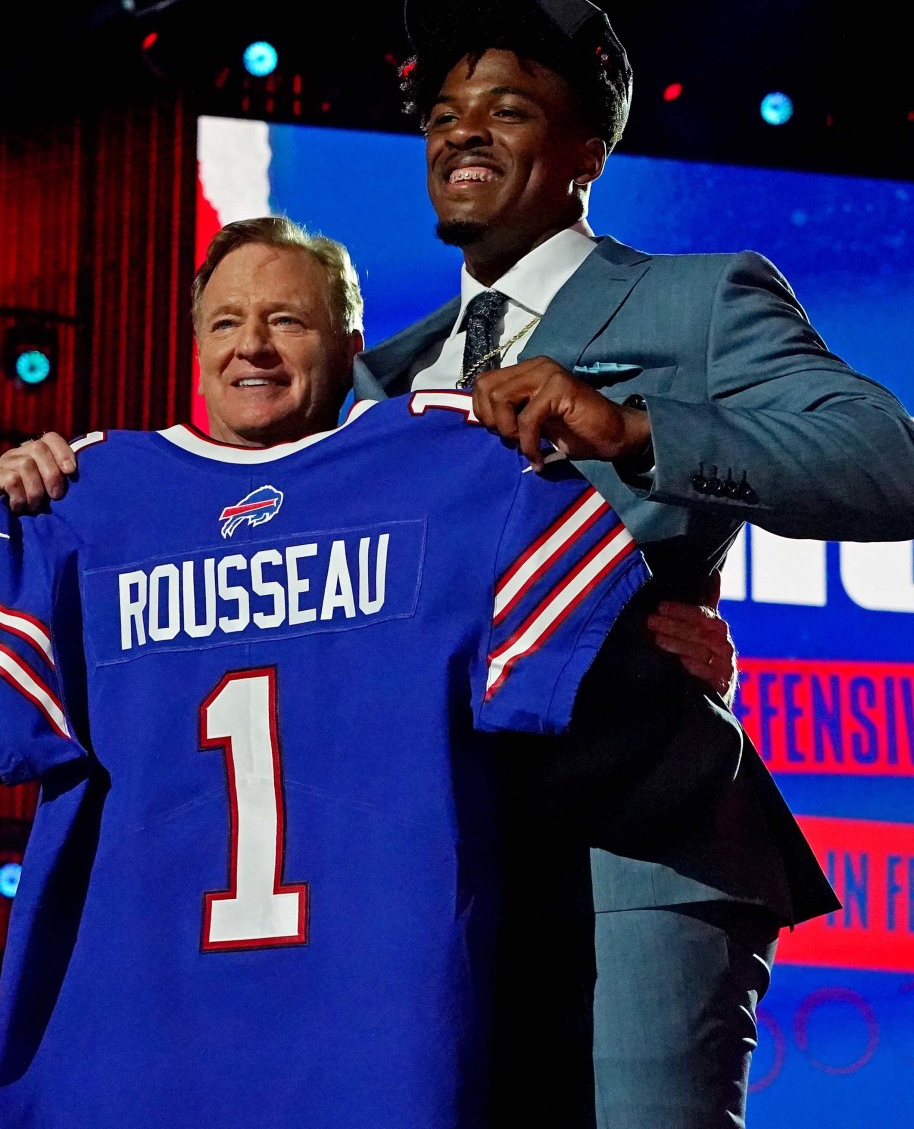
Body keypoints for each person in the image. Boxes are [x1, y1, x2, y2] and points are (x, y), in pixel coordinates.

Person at [0, 215, 737, 1129]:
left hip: (363, 1029)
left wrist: (664, 642)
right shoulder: (74, 503)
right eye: (226, 323)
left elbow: (601, 684)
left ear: (351, 346)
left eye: (287, 322)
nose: (253, 346)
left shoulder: (454, 468)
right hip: (137, 1030)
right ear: (193, 344)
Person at [346, 0, 914, 1129]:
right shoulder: (378, 380)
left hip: (632, 863)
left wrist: (633, 425)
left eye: (508, 109)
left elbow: (885, 459)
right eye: (442, 114)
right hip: (432, 887)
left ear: (586, 154)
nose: (463, 135)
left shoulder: (696, 299)